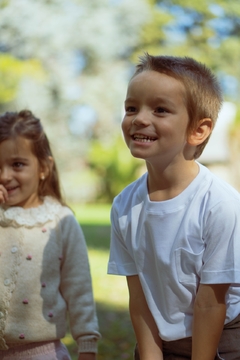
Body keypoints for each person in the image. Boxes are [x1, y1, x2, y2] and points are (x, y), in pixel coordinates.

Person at [107, 53, 240, 360]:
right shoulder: (124, 207)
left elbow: (211, 303)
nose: (139, 118)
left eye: (160, 109)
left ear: (198, 130)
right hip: (158, 340)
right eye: (131, 108)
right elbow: (139, 298)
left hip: (221, 339)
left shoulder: (221, 205)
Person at [0, 110, 100, 360]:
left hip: (42, 353)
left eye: (17, 164)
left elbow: (79, 290)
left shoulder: (61, 221)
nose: (4, 176)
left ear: (44, 167)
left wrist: (87, 346)